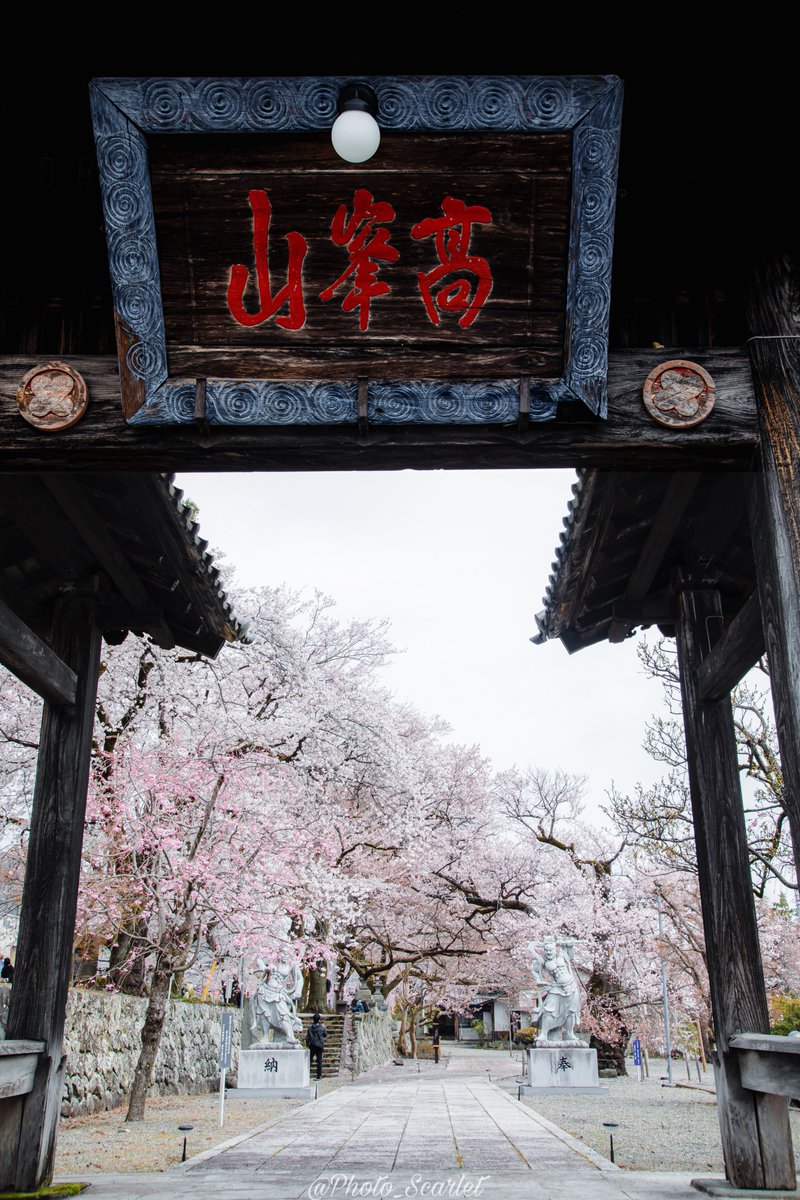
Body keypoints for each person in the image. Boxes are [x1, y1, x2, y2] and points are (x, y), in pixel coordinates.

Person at [306, 1012, 326, 1080]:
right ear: (319, 1019)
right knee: (319, 1061)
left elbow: (307, 1037)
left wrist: (307, 1045)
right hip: (319, 1045)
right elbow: (325, 1035)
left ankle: (306, 1074)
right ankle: (319, 1076)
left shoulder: (310, 1027)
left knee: (309, 1060)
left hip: (312, 1045)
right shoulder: (321, 1027)